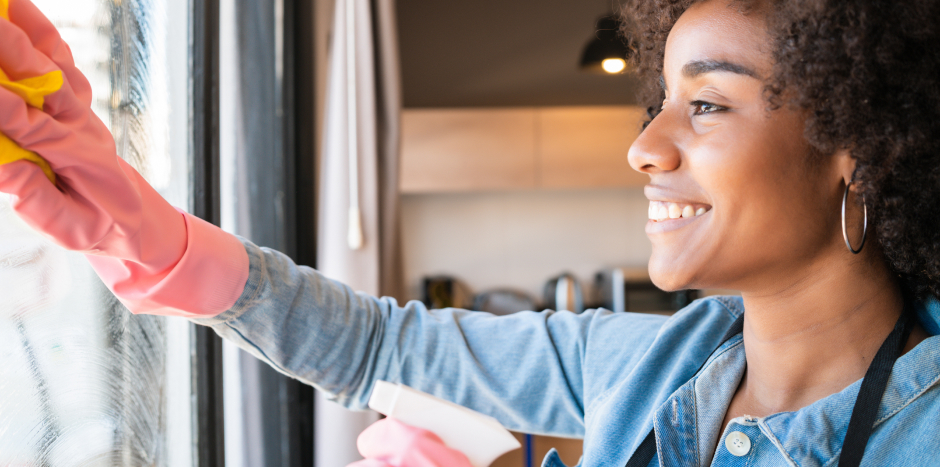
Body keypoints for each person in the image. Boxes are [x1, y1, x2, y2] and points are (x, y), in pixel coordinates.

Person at [1, 0, 938, 464]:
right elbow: (378, 345)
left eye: (706, 105)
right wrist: (149, 232)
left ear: (854, 142)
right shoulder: (634, 366)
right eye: (660, 103)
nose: (645, 147)